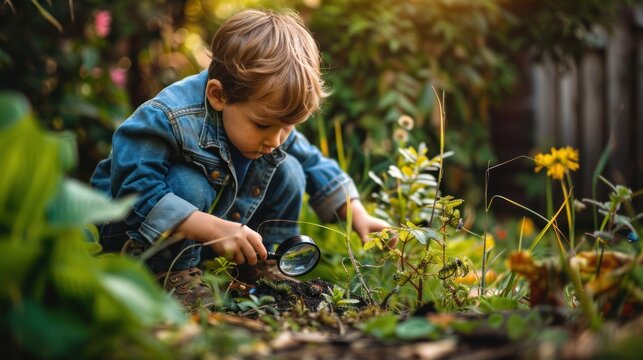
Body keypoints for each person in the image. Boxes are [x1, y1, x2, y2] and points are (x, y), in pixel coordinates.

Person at [91, 8, 391, 310]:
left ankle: (259, 269)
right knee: (189, 183)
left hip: (211, 236)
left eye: (287, 127)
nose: (275, 140)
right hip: (134, 235)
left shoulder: (262, 120)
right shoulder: (170, 116)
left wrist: (358, 214)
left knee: (289, 169)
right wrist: (213, 228)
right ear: (218, 95)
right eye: (262, 126)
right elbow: (135, 190)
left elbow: (314, 163)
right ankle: (170, 274)